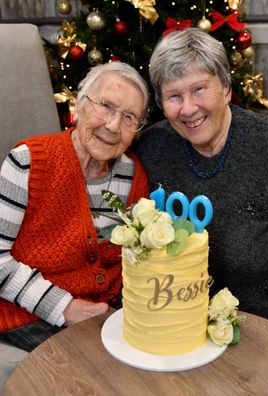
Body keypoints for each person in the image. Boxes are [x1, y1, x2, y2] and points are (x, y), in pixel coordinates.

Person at [133, 28, 268, 332]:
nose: (188, 109)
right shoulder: (151, 148)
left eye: (199, 89)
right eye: (173, 96)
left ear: (225, 87)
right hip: (178, 329)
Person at [0, 61, 149, 387]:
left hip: (104, 315)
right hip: (29, 315)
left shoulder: (132, 173)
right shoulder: (28, 160)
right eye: (106, 106)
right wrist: (65, 307)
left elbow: (135, 256)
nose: (112, 125)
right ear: (77, 106)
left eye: (128, 117)